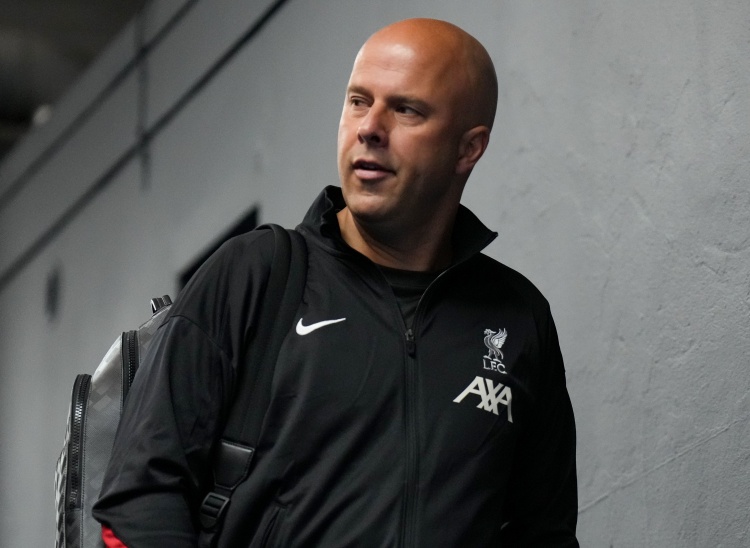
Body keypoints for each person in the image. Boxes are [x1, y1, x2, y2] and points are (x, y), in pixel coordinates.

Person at [93, 17, 578, 547]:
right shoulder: (257, 275)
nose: (370, 128)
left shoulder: (515, 318)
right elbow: (139, 498)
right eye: (358, 102)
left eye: (406, 109)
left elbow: (545, 534)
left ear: (469, 148)